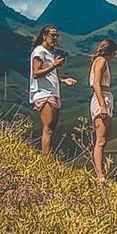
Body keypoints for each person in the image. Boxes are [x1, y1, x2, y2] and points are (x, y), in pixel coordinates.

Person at [30, 25, 77, 155]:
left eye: (57, 36)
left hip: (52, 92)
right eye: (53, 35)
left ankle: (47, 155)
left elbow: (48, 75)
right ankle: (45, 158)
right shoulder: (39, 52)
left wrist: (62, 80)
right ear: (44, 36)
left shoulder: (48, 53)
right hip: (44, 93)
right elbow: (36, 73)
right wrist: (54, 65)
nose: (55, 38)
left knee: (52, 128)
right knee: (48, 128)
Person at [89, 38, 117, 184]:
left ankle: (101, 173)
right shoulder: (101, 61)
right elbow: (96, 84)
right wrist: (102, 105)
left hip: (106, 97)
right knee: (100, 141)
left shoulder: (100, 61)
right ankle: (100, 175)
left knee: (103, 140)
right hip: (102, 98)